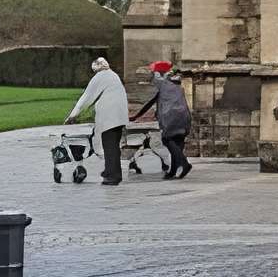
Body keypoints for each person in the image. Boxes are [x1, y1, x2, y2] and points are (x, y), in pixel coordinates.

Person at [66, 54, 132, 186]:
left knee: (110, 147)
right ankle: (109, 172)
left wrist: (73, 115)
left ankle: (113, 176)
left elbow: (86, 97)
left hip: (110, 118)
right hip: (119, 117)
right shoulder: (113, 75)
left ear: (96, 68)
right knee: (113, 146)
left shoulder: (100, 77)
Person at [139, 60, 193, 179]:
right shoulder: (177, 84)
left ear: (158, 73)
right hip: (184, 115)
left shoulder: (159, 84)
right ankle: (172, 171)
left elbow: (149, 102)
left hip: (170, 116)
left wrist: (136, 115)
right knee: (177, 143)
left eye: (153, 71)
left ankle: (184, 164)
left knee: (167, 139)